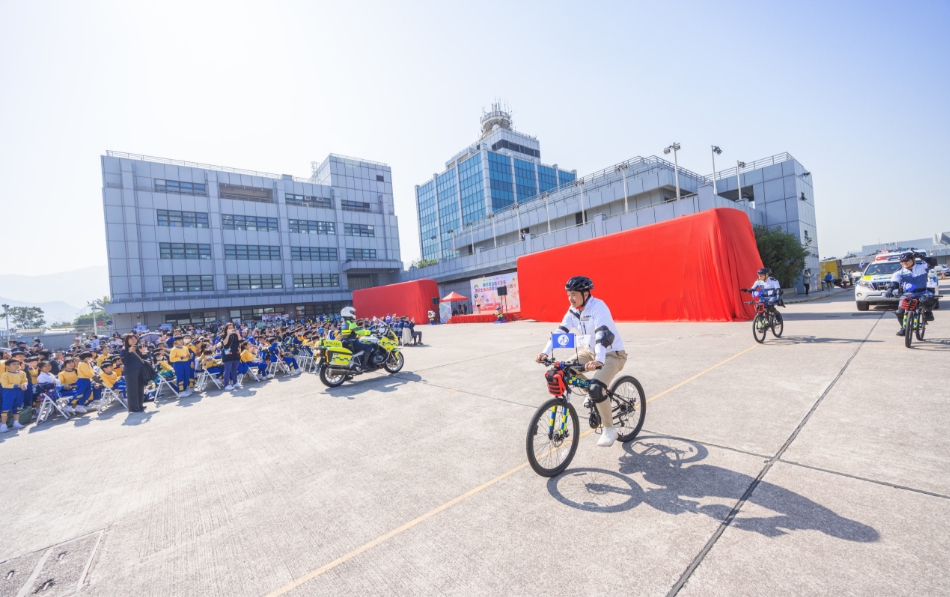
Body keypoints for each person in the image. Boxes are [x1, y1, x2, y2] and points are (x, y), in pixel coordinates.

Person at [535, 276, 627, 448]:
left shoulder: (598, 307)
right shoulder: (573, 311)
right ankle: (592, 395)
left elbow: (602, 334)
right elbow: (560, 333)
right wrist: (544, 353)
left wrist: (599, 359)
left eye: (574, 294)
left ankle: (609, 428)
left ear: (585, 294)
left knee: (596, 388)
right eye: (569, 294)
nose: (570, 298)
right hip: (589, 352)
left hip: (612, 353)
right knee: (564, 371)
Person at [886, 251, 936, 336]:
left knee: (929, 299)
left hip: (923, 292)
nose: (904, 263)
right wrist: (890, 290)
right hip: (909, 293)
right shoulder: (899, 272)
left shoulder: (922, 267)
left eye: (906, 260)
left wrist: (922, 257)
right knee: (899, 311)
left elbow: (933, 262)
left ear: (913, 260)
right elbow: (894, 282)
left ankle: (928, 312)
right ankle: (904, 328)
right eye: (902, 261)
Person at [120, 333, 149, 413]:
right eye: (131, 339)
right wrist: (129, 352)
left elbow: (144, 359)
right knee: (132, 389)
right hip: (130, 372)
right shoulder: (124, 351)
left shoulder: (138, 349)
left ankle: (140, 405)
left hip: (140, 370)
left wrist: (143, 352)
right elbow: (125, 361)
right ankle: (133, 407)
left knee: (140, 388)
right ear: (127, 341)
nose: (134, 340)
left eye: (135, 338)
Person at [0, 358, 28, 432]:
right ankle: (3, 425)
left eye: (17, 364)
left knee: (18, 407)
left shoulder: (22, 373)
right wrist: (17, 385)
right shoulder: (5, 374)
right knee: (6, 408)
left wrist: (25, 384)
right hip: (9, 392)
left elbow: (24, 380)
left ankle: (16, 422)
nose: (16, 366)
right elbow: (5, 384)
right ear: (7, 366)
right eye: (14, 364)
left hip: (20, 392)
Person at [219, 323, 242, 390]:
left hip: (235, 353)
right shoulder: (223, 336)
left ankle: (235, 382)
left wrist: (238, 334)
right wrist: (228, 335)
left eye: (232, 328)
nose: (231, 329)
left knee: (234, 369)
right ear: (226, 329)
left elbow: (240, 341)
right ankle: (227, 384)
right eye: (229, 328)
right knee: (227, 370)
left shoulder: (235, 335)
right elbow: (224, 343)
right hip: (227, 354)